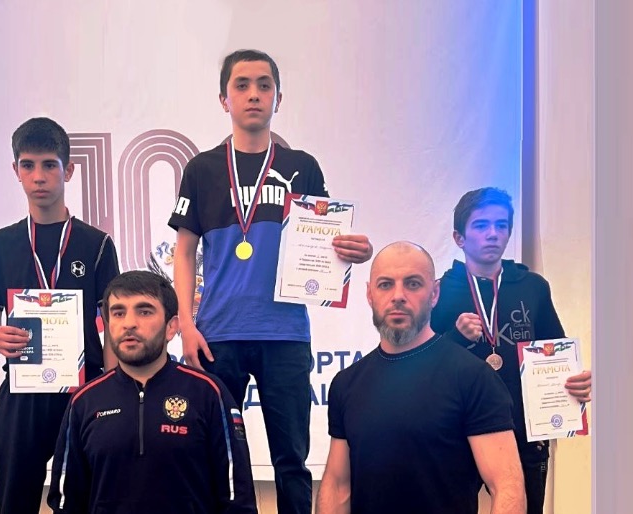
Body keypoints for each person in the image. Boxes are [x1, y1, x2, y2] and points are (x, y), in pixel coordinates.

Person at [167, 49, 373, 514]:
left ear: (279, 98)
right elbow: (184, 251)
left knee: (291, 460)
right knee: (216, 456)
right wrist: (186, 324)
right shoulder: (201, 169)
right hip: (217, 334)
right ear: (224, 99)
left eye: (264, 85)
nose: (254, 94)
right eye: (241, 85)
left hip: (286, 333)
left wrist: (352, 252)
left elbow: (325, 240)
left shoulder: (303, 165)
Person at [0, 117, 120, 514]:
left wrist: (111, 388)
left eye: (49, 165)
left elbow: (113, 325)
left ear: (68, 170)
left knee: (82, 501)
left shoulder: (97, 244)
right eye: (28, 165)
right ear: (16, 170)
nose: (39, 176)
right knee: (14, 500)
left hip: (84, 389)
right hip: (23, 390)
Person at [316, 242, 526, 514]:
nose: (398, 296)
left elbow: (506, 486)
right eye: (385, 285)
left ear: (434, 293)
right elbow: (337, 486)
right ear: (369, 294)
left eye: (413, 284)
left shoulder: (473, 378)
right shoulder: (346, 384)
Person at [431, 187, 592, 514]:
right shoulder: (440, 291)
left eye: (501, 225)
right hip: (458, 429)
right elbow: (423, 365)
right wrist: (456, 336)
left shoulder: (533, 287)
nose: (493, 233)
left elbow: (555, 351)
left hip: (524, 429)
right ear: (459, 238)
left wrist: (573, 383)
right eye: (481, 225)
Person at [46, 270, 257, 513]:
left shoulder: (209, 393)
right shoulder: (84, 401)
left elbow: (237, 495)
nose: (129, 323)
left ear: (171, 327)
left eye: (144, 311)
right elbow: (66, 502)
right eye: (118, 313)